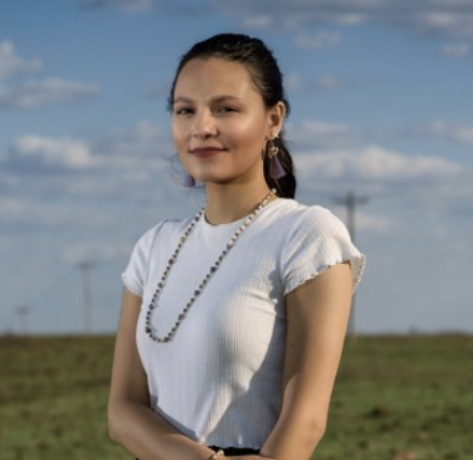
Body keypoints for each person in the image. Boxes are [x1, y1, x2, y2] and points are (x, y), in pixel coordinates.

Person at [108, 33, 365, 460]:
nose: (202, 127)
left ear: (273, 119)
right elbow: (122, 412)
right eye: (185, 110)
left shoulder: (306, 235)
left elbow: (306, 421)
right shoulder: (153, 247)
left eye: (225, 108)